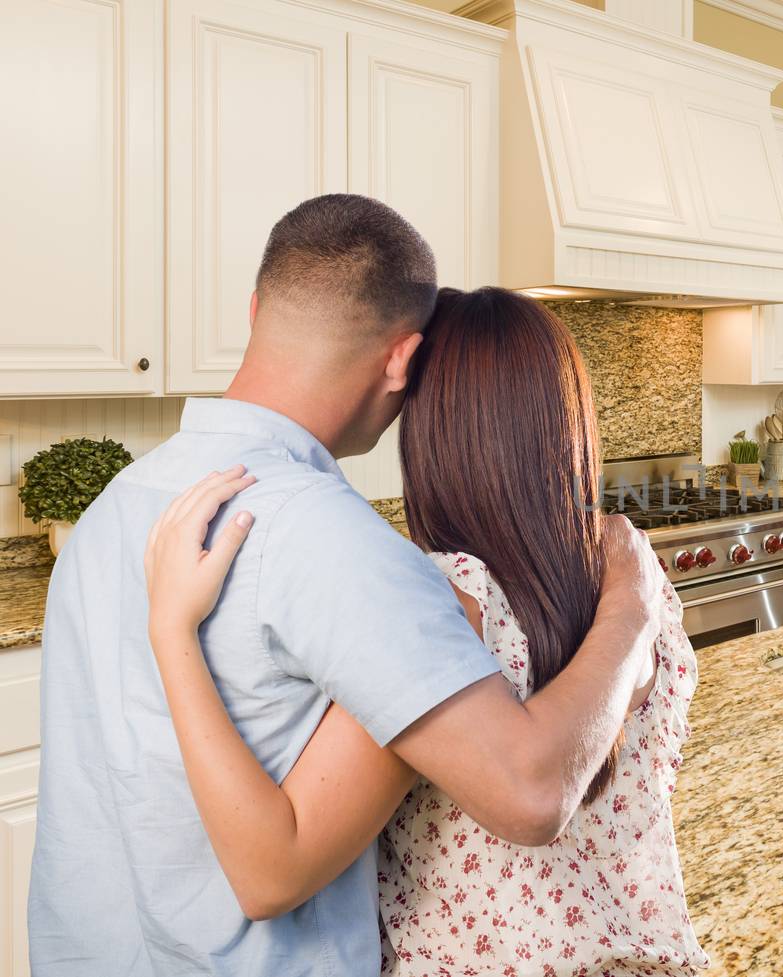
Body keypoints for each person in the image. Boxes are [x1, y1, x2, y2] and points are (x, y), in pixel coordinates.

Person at [29, 195, 663, 976]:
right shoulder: (339, 544)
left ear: (257, 307)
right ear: (402, 360)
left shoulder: (112, 508)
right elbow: (531, 794)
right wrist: (632, 605)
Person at [140, 287, 708, 975]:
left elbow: (272, 868)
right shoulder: (637, 581)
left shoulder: (447, 603)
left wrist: (171, 628)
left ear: (433, 434)